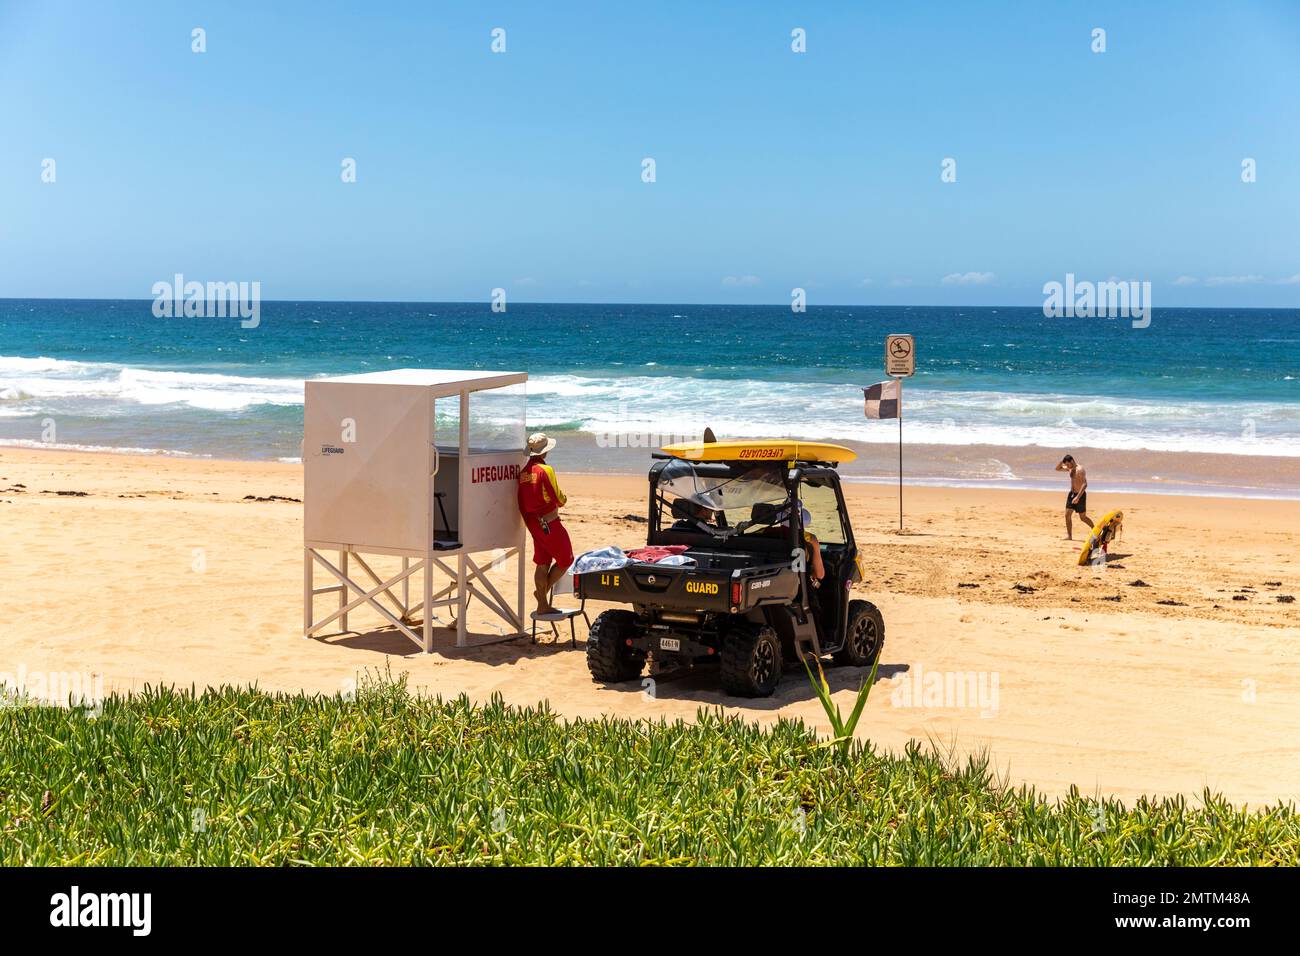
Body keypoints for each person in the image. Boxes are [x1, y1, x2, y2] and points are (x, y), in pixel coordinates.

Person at [517, 432, 574, 614]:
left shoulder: (524, 472)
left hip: (533, 524)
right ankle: (541, 596)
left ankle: (542, 603)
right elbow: (558, 497)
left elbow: (521, 500)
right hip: (549, 522)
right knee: (566, 559)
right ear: (545, 452)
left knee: (542, 562)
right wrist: (563, 500)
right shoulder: (545, 470)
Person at [1055, 454, 1094, 540]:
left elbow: (1085, 484)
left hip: (1080, 495)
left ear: (1072, 461)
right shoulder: (1070, 468)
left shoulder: (1080, 470)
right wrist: (1062, 461)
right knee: (1067, 515)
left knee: (1083, 518)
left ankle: (1095, 529)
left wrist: (1078, 497)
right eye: (1066, 464)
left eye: (1068, 464)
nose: (1067, 466)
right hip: (1072, 494)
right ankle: (1069, 536)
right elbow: (1057, 468)